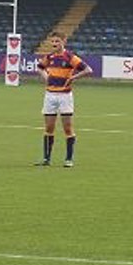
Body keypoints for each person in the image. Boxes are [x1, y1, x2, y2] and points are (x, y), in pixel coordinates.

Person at [35, 32, 91, 168]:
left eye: (57, 41)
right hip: (50, 96)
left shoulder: (70, 57)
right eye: (53, 42)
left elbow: (88, 70)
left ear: (64, 41)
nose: (54, 44)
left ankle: (68, 159)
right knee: (49, 127)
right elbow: (39, 68)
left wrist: (73, 78)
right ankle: (46, 158)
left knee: (67, 128)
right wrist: (46, 77)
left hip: (65, 96)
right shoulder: (49, 57)